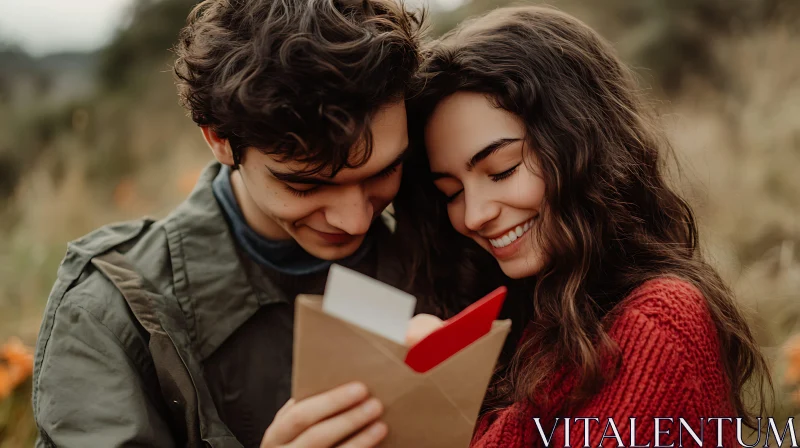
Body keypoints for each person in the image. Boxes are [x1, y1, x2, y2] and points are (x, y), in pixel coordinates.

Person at [31, 0, 423, 446]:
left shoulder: (448, 248)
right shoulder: (109, 314)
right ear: (219, 139)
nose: (355, 221)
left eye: (383, 171)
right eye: (306, 185)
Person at [393, 6, 773, 447]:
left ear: (580, 148)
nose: (474, 215)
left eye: (502, 170)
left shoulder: (657, 325)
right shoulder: (527, 321)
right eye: (451, 192)